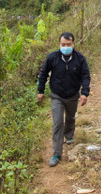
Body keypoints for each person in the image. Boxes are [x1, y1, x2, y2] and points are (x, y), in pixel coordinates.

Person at [37, 32, 91, 167]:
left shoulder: (80, 59)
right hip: (57, 95)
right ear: (59, 44)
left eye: (68, 44)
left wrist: (84, 93)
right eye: (63, 44)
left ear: (73, 44)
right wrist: (40, 90)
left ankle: (69, 133)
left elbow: (85, 76)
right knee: (58, 122)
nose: (66, 47)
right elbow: (43, 74)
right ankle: (57, 153)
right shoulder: (52, 57)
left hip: (73, 95)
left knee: (71, 117)